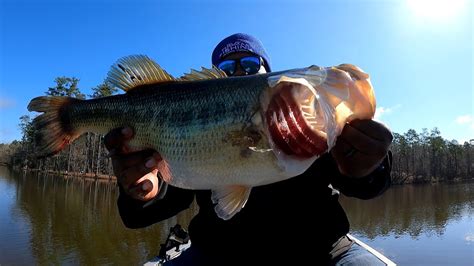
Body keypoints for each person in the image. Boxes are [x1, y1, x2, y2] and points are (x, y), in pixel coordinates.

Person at [105, 33, 393, 265]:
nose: (239, 71)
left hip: (321, 253)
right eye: (227, 68)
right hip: (216, 256)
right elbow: (138, 216)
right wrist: (139, 192)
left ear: (269, 73)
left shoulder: (310, 122)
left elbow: (370, 187)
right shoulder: (190, 135)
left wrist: (369, 165)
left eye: (251, 64)